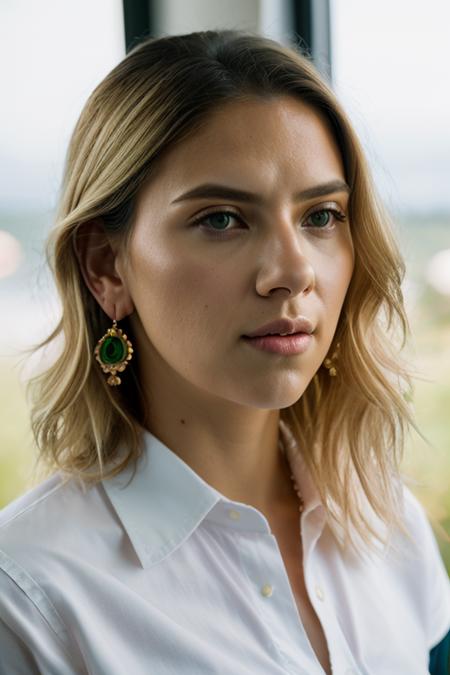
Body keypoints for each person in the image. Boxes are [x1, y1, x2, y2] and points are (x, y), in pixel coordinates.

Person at [0, 29, 449, 675]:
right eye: (222, 219)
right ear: (107, 266)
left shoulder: (389, 524)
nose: (293, 272)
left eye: (321, 215)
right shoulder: (28, 600)